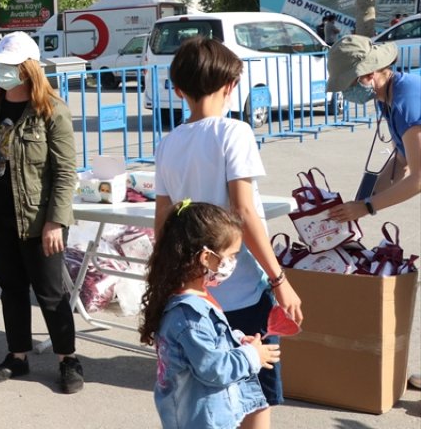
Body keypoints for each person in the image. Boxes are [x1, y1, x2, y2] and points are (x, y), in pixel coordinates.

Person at [152, 37, 302, 427]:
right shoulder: (234, 132)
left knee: (212, 395)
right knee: (255, 395)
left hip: (195, 291)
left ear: (179, 89)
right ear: (231, 85)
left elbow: (162, 222)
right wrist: (279, 278)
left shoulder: (168, 143)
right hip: (241, 288)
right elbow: (245, 211)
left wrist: (165, 282)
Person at [0, 31, 83, 393]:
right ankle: (17, 356)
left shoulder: (52, 111)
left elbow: (66, 171)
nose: (1, 73)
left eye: (8, 67)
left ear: (27, 70)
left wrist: (56, 220)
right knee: (11, 288)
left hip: (39, 218)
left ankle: (67, 359)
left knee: (50, 292)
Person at [325, 35, 421, 391]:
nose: (347, 92)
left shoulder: (408, 97)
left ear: (370, 75)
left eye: (348, 83)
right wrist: (358, 204)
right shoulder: (389, 97)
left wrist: (366, 207)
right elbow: (400, 162)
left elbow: (418, 177)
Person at [139, 201, 279, 429]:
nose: (232, 263)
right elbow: (213, 369)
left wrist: (236, 342)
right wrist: (252, 355)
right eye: (231, 255)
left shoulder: (194, 298)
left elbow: (205, 345)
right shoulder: (189, 314)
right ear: (206, 258)